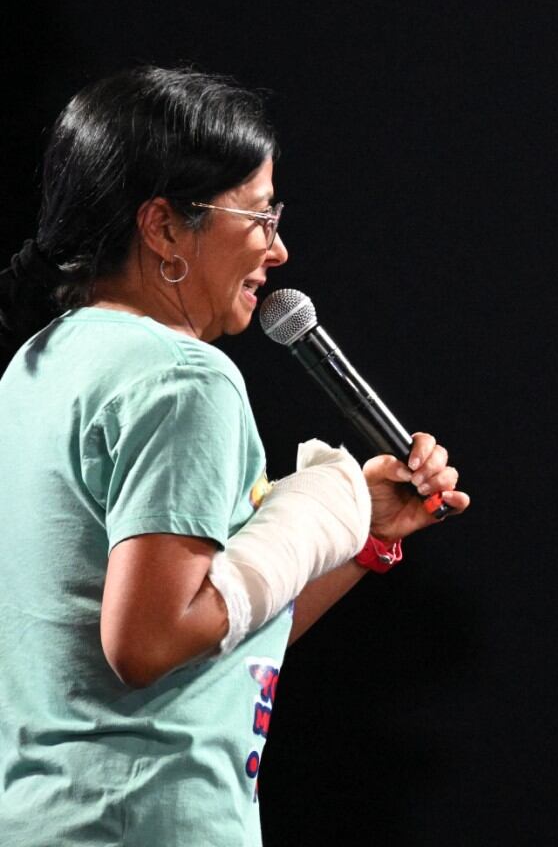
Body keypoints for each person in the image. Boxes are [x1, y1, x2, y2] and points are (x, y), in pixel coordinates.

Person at [0, 66, 471, 846]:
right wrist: (318, 506)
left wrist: (361, 537)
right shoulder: (185, 378)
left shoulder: (36, 366)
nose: (279, 249)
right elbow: (148, 642)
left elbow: (217, 634)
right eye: (258, 215)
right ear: (162, 228)